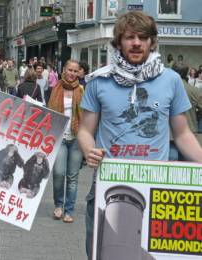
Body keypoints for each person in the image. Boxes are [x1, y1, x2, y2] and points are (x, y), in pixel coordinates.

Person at [78, 11, 202, 259]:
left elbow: (183, 134)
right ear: (118, 42)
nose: (136, 43)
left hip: (157, 184)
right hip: (108, 181)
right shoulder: (100, 81)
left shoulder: (170, 80)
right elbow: (84, 130)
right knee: (104, 254)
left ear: (152, 42)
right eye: (129, 37)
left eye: (143, 37)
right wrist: (88, 150)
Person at [47, 60, 84, 223]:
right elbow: (48, 113)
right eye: (70, 70)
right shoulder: (55, 89)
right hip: (60, 137)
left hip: (76, 137)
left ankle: (69, 210)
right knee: (59, 173)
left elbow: (88, 114)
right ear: (64, 70)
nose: (72, 73)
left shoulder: (82, 90)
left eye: (76, 71)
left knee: (73, 176)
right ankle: (58, 205)